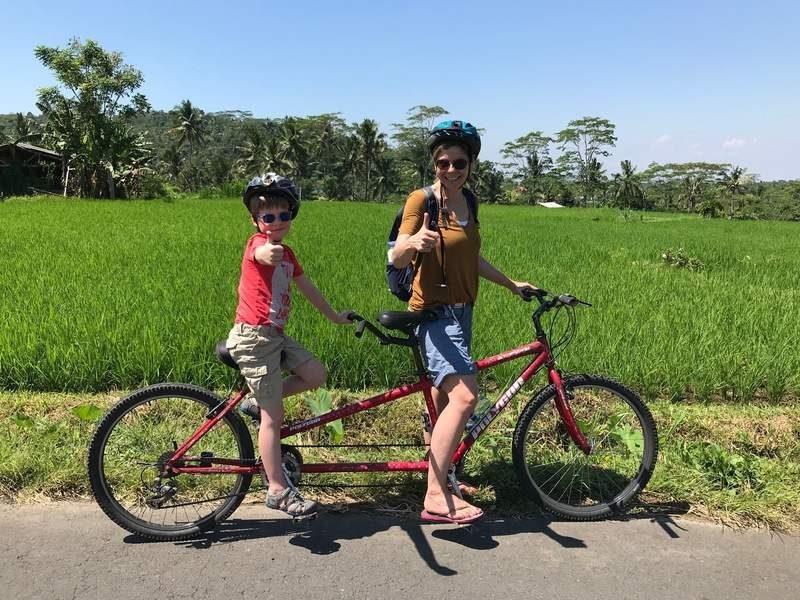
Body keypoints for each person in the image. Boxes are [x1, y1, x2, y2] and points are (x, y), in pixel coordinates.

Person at [391, 121, 537, 524]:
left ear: (471, 164)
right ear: (434, 164)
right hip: (434, 313)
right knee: (466, 398)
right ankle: (435, 495)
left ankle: (444, 474)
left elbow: (470, 257)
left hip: (462, 312)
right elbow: (397, 256)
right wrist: (413, 243)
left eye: (459, 162)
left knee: (443, 402)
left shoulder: (469, 201)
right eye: (443, 162)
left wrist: (511, 284)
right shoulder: (420, 200)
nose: (451, 170)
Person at [227, 173, 352, 518]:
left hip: (275, 337)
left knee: (315, 374)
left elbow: (308, 289)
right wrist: (269, 250)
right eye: (268, 216)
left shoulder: (289, 255)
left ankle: (257, 402)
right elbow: (263, 254)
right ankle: (277, 490)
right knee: (274, 417)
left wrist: (335, 317)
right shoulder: (257, 244)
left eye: (284, 215)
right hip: (254, 339)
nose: (277, 221)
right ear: (256, 221)